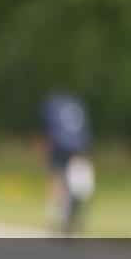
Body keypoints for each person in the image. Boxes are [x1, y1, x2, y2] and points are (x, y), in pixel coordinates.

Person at [39, 92, 94, 235]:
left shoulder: (53, 105)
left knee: (58, 180)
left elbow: (50, 131)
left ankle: (59, 218)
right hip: (78, 147)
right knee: (77, 183)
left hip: (61, 147)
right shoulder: (78, 106)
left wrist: (46, 152)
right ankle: (74, 219)